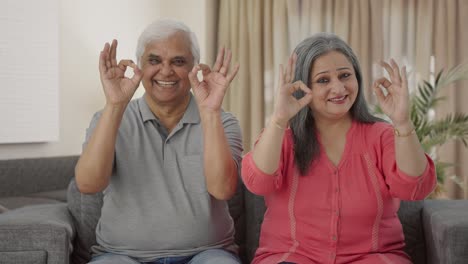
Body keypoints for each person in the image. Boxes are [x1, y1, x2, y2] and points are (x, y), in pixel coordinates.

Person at [241, 33, 436, 264]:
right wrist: (279, 119)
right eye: (324, 80)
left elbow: (415, 188)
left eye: (345, 75)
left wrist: (402, 122)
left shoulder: (381, 135)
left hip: (373, 257)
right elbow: (257, 182)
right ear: (302, 86)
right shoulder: (282, 136)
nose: (339, 87)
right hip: (292, 257)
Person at [74, 19, 243, 264]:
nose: (166, 71)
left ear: (194, 67)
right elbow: (88, 184)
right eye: (154, 61)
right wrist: (114, 105)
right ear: (139, 66)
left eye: (178, 61)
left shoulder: (223, 121)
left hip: (207, 253)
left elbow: (223, 189)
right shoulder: (108, 118)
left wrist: (210, 113)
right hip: (121, 256)